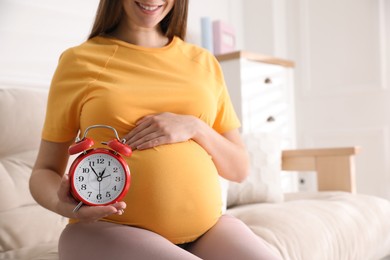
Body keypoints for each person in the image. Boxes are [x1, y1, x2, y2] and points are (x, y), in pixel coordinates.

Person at [29, 0, 281, 259]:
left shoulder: (203, 62)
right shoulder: (79, 61)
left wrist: (195, 127)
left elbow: (239, 169)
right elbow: (44, 171)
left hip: (207, 230)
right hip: (107, 231)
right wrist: (65, 205)